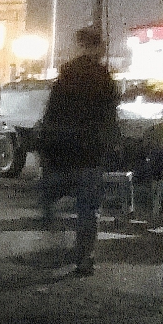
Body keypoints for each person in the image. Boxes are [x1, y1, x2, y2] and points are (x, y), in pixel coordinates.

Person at [37, 26, 119, 277]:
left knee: (54, 189)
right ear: (98, 47)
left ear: (79, 45)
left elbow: (51, 114)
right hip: (90, 154)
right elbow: (110, 118)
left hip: (62, 151)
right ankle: (84, 258)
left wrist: (46, 147)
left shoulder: (66, 76)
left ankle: (49, 214)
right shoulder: (104, 79)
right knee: (87, 209)